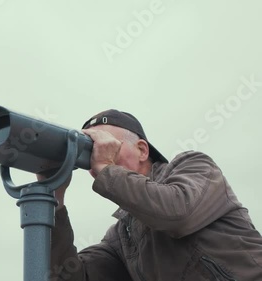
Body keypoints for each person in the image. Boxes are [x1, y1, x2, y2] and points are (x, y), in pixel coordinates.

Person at [43, 109, 262, 281]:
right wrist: (54, 199)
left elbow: (177, 213)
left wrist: (105, 167)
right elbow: (69, 277)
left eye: (107, 144)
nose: (97, 156)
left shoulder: (195, 167)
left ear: (142, 150)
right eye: (92, 151)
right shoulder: (122, 238)